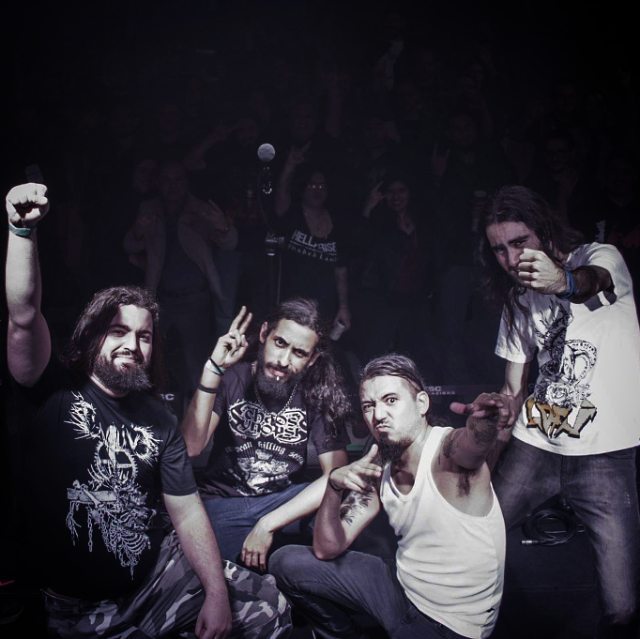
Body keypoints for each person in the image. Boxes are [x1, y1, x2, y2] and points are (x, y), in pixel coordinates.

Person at [4, 182, 291, 638]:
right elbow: (23, 315)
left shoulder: (158, 418)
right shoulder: (53, 389)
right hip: (84, 607)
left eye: (144, 336)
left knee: (270, 608)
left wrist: (216, 593)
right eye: (118, 331)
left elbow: (187, 511)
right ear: (92, 336)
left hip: (157, 576)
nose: (132, 345)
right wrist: (22, 232)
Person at [477, 184, 640, 638]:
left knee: (623, 607)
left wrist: (562, 282)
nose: (511, 259)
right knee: (476, 537)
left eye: (519, 242)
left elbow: (593, 282)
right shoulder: (517, 300)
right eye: (499, 250)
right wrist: (498, 409)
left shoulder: (601, 256)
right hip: (536, 445)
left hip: (604, 455)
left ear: (544, 231)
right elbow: (513, 387)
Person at [269, 353, 510, 639]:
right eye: (369, 405)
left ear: (421, 404)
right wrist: (333, 486)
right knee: (286, 562)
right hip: (401, 590)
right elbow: (326, 549)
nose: (379, 415)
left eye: (391, 400)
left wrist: (487, 419)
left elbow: (473, 445)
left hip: (450, 626)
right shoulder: (379, 462)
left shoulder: (447, 453)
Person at [180, 297, 351, 572]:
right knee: (206, 560)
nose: (283, 361)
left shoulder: (317, 394)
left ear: (312, 359)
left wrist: (268, 523)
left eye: (299, 353)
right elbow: (191, 446)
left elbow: (337, 476)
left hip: (281, 504)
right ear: (263, 334)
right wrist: (213, 370)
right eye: (280, 343)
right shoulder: (232, 379)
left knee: (339, 511)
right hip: (225, 504)